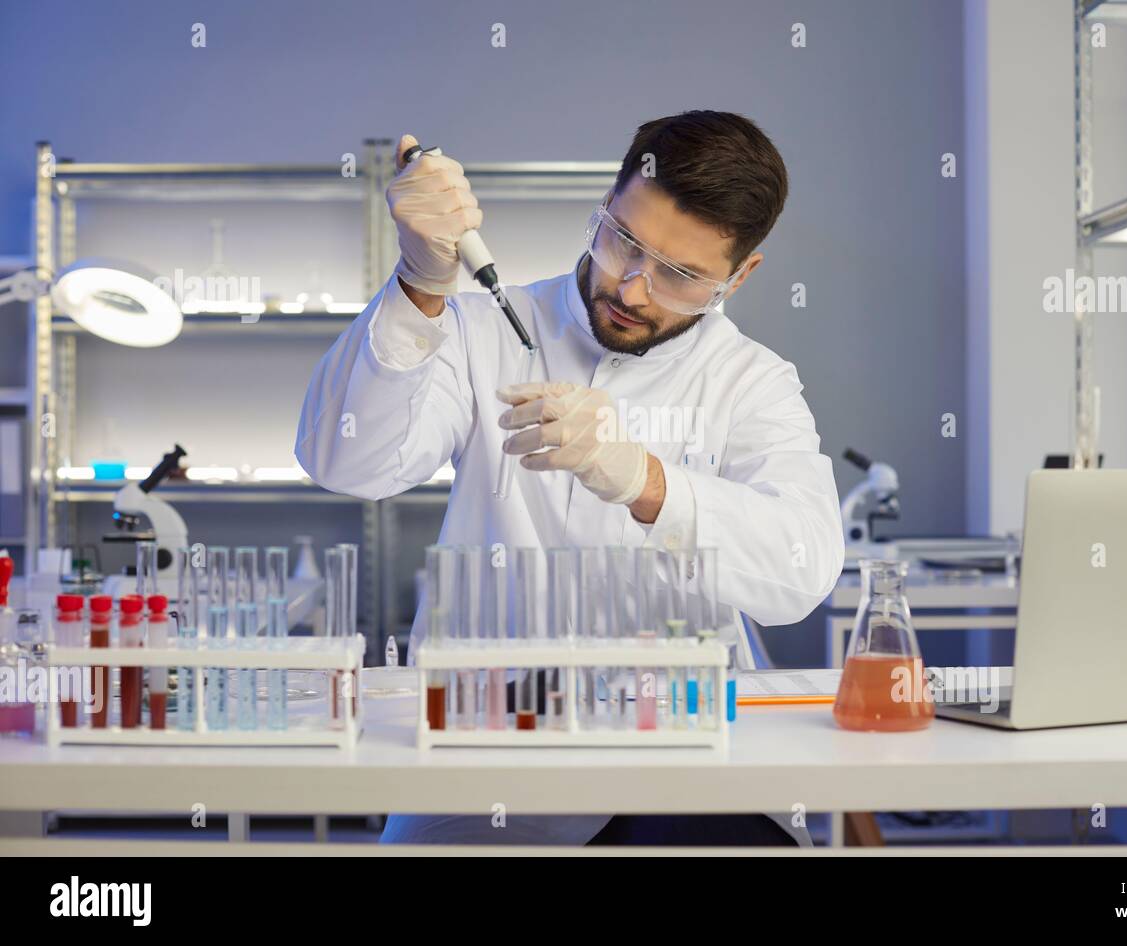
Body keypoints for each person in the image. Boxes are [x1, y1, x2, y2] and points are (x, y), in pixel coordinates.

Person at [296, 110, 844, 847]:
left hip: (688, 773)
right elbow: (345, 461)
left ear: (741, 275)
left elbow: (801, 571)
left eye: (681, 274)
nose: (635, 287)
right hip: (487, 758)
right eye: (624, 241)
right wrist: (419, 286)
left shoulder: (752, 383)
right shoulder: (479, 328)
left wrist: (645, 481)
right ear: (607, 204)